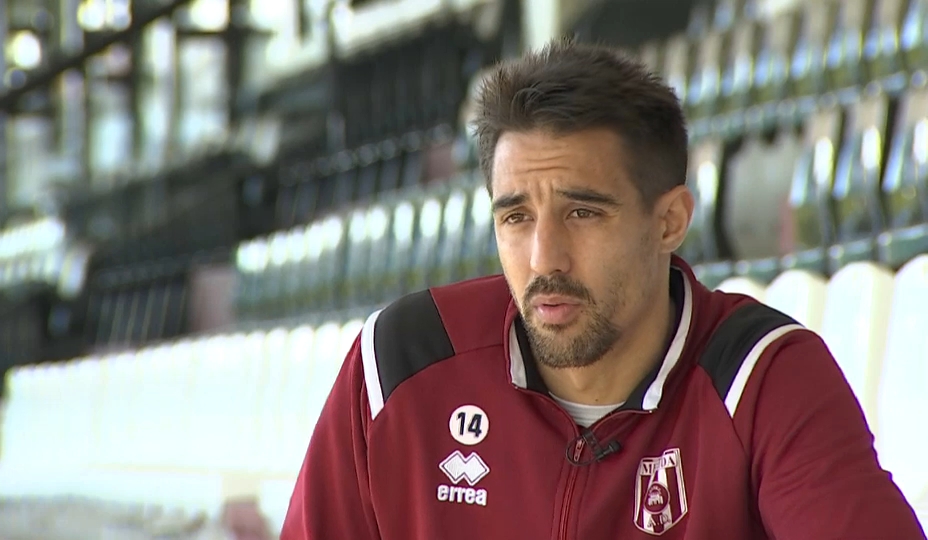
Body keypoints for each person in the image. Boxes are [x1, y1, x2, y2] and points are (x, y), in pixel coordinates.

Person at [280, 39, 926, 539]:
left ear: (669, 220)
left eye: (583, 213)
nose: (545, 258)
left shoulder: (759, 375)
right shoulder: (402, 361)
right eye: (516, 217)